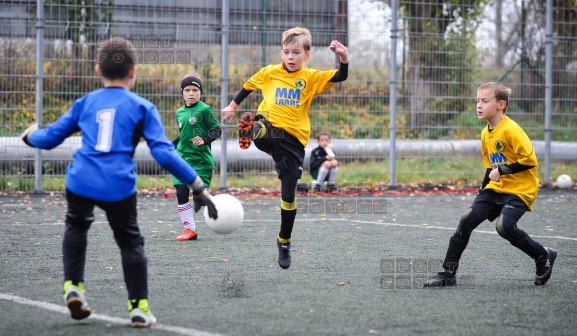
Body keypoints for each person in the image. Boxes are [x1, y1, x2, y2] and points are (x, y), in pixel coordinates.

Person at [20, 37, 217, 327]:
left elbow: (50, 139)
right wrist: (197, 185)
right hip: (118, 185)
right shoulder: (142, 107)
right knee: (130, 243)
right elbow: (163, 151)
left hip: (81, 180)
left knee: (76, 227)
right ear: (134, 72)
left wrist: (29, 136)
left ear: (98, 71)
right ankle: (139, 308)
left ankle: (73, 287)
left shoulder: (85, 102)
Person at [221, 27, 348, 269]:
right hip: (269, 127)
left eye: (296, 52)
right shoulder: (269, 73)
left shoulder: (310, 78)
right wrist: (232, 106)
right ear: (282, 53)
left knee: (288, 197)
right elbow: (248, 86)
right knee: (261, 128)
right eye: (287, 52)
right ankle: (252, 129)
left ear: (307, 55)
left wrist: (343, 56)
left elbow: (340, 76)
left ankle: (284, 241)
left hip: (294, 141)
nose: (290, 56)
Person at [424, 81, 557, 287]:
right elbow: (490, 168)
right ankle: (447, 274)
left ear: (501, 105)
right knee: (466, 220)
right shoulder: (485, 133)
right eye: (477, 101)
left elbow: (530, 161)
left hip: (520, 190)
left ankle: (542, 256)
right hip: (496, 188)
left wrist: (502, 171)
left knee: (504, 227)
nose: (479, 105)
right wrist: (482, 192)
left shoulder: (511, 130)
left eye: (485, 101)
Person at [172, 71, 221, 241]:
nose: (191, 93)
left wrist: (206, 139)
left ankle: (215, 206)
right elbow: (184, 134)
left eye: (195, 90)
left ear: (200, 92)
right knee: (181, 191)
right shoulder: (179, 112)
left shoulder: (205, 110)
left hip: (201, 160)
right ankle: (190, 230)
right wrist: (171, 145)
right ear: (182, 92)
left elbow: (217, 130)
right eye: (187, 90)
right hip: (182, 158)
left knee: (198, 194)